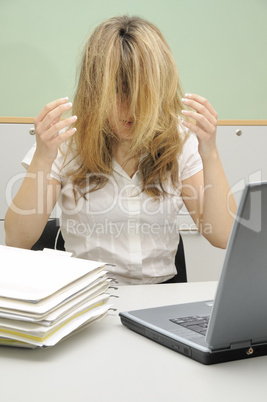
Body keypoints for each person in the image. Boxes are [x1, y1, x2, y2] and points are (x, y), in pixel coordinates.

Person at [5, 15, 236, 285]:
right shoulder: (66, 141)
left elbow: (223, 235)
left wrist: (210, 152)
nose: (130, 110)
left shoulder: (180, 138)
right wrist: (43, 158)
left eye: (142, 94)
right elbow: (16, 240)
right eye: (117, 92)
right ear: (95, 91)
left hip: (160, 296)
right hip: (88, 297)